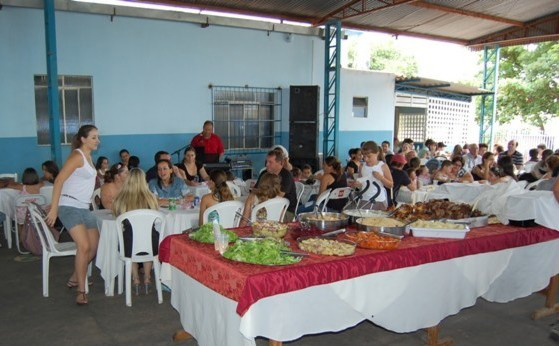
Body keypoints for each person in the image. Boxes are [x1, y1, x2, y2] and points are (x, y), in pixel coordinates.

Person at [45, 125, 100, 305]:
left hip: (84, 208)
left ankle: (76, 277)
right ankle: (81, 291)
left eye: (98, 137)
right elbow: (59, 179)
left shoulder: (89, 157)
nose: (97, 141)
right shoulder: (77, 155)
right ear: (83, 139)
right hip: (69, 206)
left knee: (93, 247)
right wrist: (54, 208)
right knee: (83, 247)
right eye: (93, 137)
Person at [112, 168, 160, 295]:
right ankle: (148, 278)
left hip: (129, 243)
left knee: (129, 246)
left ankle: (135, 279)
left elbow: (117, 216)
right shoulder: (151, 198)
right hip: (151, 243)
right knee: (148, 243)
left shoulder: (121, 199)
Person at [255, 148, 297, 221]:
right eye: (266, 161)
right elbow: (255, 190)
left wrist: (261, 195)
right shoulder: (264, 173)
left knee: (255, 216)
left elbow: (278, 196)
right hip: (264, 206)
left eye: (270, 162)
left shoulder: (286, 176)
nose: (267, 164)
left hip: (286, 211)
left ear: (280, 163)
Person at [352, 141, 393, 210]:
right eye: (364, 156)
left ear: (377, 153)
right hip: (364, 199)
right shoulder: (362, 166)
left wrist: (381, 178)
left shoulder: (382, 166)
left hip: (379, 200)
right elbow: (360, 183)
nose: (366, 159)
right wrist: (357, 184)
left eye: (369, 156)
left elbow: (391, 185)